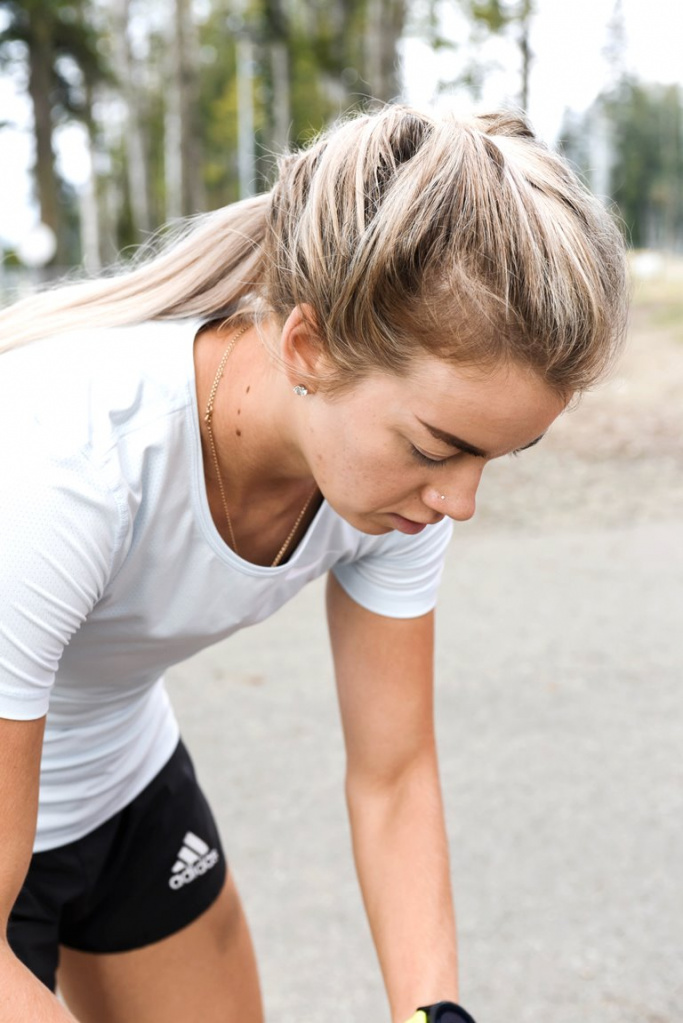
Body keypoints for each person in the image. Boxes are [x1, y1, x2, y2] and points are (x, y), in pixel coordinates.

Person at [0, 104, 627, 1023]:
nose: (460, 500)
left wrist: (434, 1015)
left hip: (122, 784)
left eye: (496, 456)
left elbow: (394, 772)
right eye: (439, 447)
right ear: (307, 347)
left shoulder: (391, 477)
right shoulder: (64, 461)